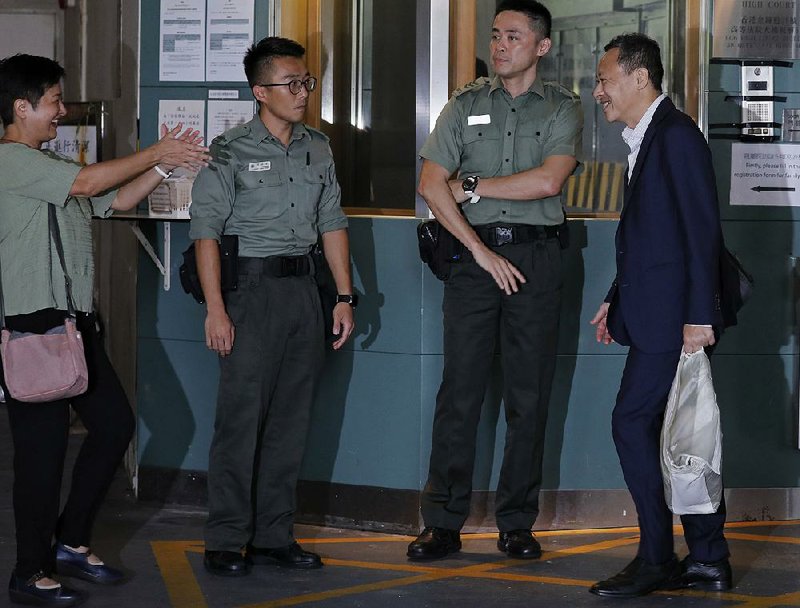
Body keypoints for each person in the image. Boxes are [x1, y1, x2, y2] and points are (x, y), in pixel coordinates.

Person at [0, 54, 208, 607]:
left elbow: (112, 199)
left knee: (114, 427)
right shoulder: (10, 162)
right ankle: (28, 570)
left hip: (74, 326)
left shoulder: (47, 165)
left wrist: (166, 167)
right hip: (31, 327)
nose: (62, 112)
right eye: (53, 102)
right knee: (40, 457)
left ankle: (69, 542)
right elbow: (91, 179)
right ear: (21, 107)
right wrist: (156, 149)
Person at [408, 0, 582, 561]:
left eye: (512, 36)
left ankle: (516, 522)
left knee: (527, 398)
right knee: (459, 393)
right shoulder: (464, 104)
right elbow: (432, 185)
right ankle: (442, 522)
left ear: (541, 46)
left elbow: (549, 182)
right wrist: (480, 252)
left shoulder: (562, 108)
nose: (500, 45)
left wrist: (475, 183)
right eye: (495, 35)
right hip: (474, 265)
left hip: (537, 261)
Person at [190, 36, 355, 577]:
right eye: (291, 83)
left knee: (291, 421)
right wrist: (216, 309)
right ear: (260, 91)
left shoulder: (318, 147)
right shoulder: (230, 150)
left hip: (303, 292)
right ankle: (226, 538)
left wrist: (343, 296)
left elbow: (332, 222)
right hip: (250, 295)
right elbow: (207, 233)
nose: (303, 91)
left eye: (306, 81)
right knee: (241, 421)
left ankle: (273, 536)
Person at [589, 33, 732, 597]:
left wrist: (700, 318)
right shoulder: (647, 137)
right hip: (656, 312)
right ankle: (707, 558)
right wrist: (615, 296)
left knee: (633, 423)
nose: (597, 90)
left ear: (639, 77)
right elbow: (654, 236)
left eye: (604, 79)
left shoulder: (676, 136)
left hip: (676, 320)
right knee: (679, 434)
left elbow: (701, 233)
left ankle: (657, 558)